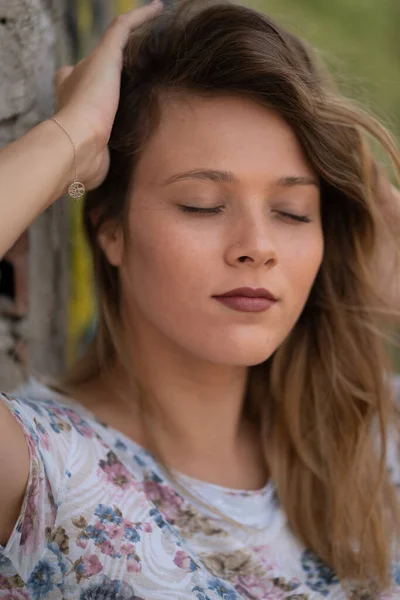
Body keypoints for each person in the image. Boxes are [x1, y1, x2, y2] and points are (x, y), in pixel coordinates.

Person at [0, 0, 399, 598]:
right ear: (112, 229)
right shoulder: (44, 472)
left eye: (293, 212)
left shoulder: (372, 434)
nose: (257, 247)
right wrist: (72, 141)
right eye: (202, 205)